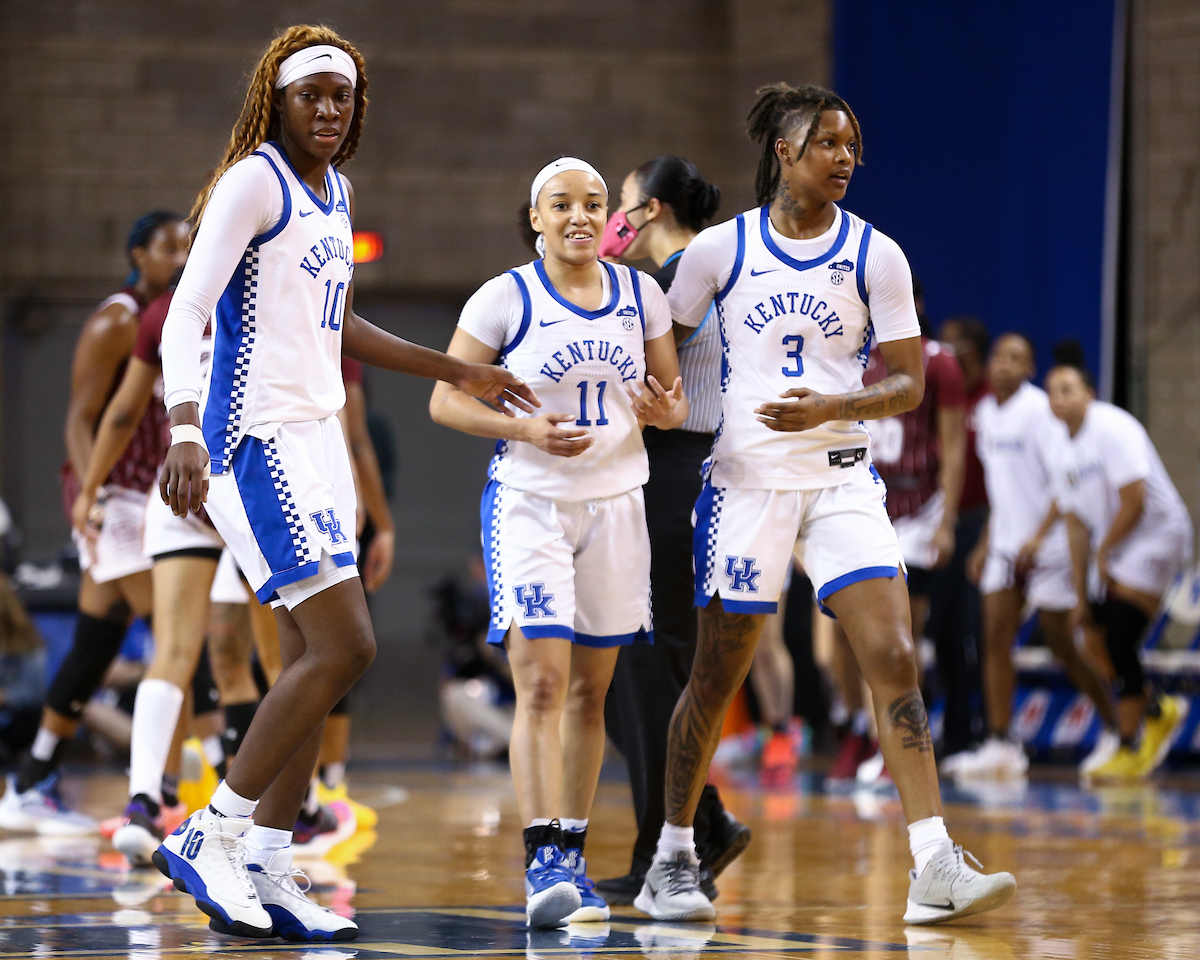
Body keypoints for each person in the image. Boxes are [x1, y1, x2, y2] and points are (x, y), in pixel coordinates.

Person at [154, 26, 533, 942]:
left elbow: (341, 325)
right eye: (311, 94)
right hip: (255, 438)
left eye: (343, 96)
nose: (328, 109)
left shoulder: (337, 194)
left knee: (309, 661)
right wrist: (182, 425)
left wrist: (457, 369)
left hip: (317, 438)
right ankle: (214, 832)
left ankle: (271, 864)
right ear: (276, 101)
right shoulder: (254, 181)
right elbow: (187, 310)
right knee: (346, 647)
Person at [635, 82, 1016, 925]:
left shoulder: (877, 255)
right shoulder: (718, 254)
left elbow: (913, 384)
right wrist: (658, 401)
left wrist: (836, 408)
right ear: (784, 151)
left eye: (852, 147)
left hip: (842, 478)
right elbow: (659, 348)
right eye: (827, 145)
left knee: (893, 654)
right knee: (716, 672)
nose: (844, 159)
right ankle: (670, 856)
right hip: (746, 485)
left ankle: (931, 861)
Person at [430, 156, 687, 928]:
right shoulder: (504, 296)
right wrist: (521, 426)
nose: (579, 215)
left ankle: (571, 852)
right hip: (531, 504)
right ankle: (542, 855)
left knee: (591, 692)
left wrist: (662, 411)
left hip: (616, 506)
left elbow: (673, 406)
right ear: (536, 218)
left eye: (592, 203)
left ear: (607, 217)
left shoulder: (641, 294)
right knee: (541, 682)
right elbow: (446, 398)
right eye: (561, 204)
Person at [593, 156, 750, 904]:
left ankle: (670, 848)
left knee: (647, 671)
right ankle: (701, 818)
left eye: (619, 204)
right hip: (691, 479)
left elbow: (624, 381)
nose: (611, 220)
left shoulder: (669, 285)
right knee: (640, 673)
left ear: (649, 210)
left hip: (673, 477)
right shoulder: (701, 275)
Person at [0, 211, 188, 836]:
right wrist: (93, 493)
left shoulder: (177, 318)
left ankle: (29, 779)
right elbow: (81, 419)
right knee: (180, 633)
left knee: (96, 639)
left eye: (189, 247)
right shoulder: (118, 319)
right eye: (168, 247)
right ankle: (162, 791)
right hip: (115, 497)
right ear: (138, 255)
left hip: (146, 494)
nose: (182, 257)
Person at [955, 334, 1118, 780]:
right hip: (1006, 544)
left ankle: (1114, 724)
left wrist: (1038, 535)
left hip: (1048, 545)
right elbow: (1000, 488)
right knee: (993, 640)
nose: (1005, 364)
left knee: (1062, 642)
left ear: (1029, 370)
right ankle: (1002, 743)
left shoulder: (1039, 411)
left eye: (1017, 359)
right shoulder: (985, 412)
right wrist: (988, 541)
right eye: (1000, 356)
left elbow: (1060, 481)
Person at [826, 281, 967, 788]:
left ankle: (897, 745)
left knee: (898, 639)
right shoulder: (849, 357)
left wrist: (947, 522)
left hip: (919, 509)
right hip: (861, 498)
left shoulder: (939, 362)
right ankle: (858, 728)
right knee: (839, 638)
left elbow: (952, 450)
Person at [1045, 359, 1191, 781]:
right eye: (1052, 391)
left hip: (1158, 532)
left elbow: (1135, 501)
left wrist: (1105, 554)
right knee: (1090, 635)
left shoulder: (1113, 427)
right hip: (1117, 544)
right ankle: (1158, 709)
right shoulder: (1059, 450)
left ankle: (1130, 747)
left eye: (1068, 388)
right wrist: (1078, 594)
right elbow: (1075, 525)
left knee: (1119, 635)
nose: (1059, 398)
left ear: (1089, 393)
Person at [929, 315, 990, 764]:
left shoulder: (990, 401)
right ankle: (954, 730)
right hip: (945, 521)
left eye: (953, 344)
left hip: (982, 523)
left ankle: (986, 730)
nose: (945, 351)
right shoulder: (942, 393)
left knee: (977, 630)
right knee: (946, 627)